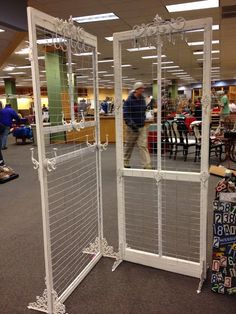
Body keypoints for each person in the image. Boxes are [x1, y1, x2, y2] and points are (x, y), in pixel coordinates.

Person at [123, 82, 152, 169]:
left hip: (141, 126)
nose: (143, 90)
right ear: (136, 90)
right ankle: (125, 162)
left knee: (143, 145)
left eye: (143, 88)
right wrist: (131, 124)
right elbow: (126, 114)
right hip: (131, 128)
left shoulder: (142, 99)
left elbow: (143, 111)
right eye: (141, 88)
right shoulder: (129, 101)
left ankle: (147, 165)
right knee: (129, 146)